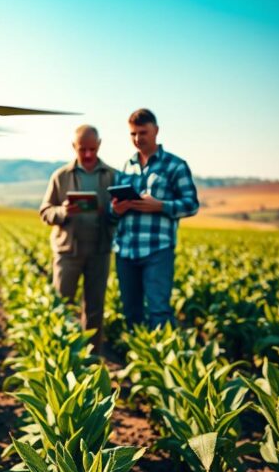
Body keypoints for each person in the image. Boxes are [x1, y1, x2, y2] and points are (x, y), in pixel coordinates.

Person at [110, 108, 199, 329]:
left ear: (156, 131)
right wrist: (117, 209)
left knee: (159, 311)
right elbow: (112, 210)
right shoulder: (125, 166)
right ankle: (137, 358)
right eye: (133, 134)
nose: (137, 139)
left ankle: (159, 359)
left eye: (143, 132)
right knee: (131, 312)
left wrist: (160, 206)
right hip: (126, 250)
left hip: (157, 250)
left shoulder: (175, 165)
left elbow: (191, 204)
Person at [39, 125, 117, 353]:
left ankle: (92, 359)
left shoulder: (111, 175)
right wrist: (63, 212)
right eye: (83, 149)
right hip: (67, 252)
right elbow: (45, 212)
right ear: (74, 147)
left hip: (99, 250)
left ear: (100, 145)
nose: (88, 154)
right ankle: (60, 355)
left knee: (95, 309)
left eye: (92, 149)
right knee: (61, 305)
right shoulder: (61, 176)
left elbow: (121, 213)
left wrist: (110, 211)